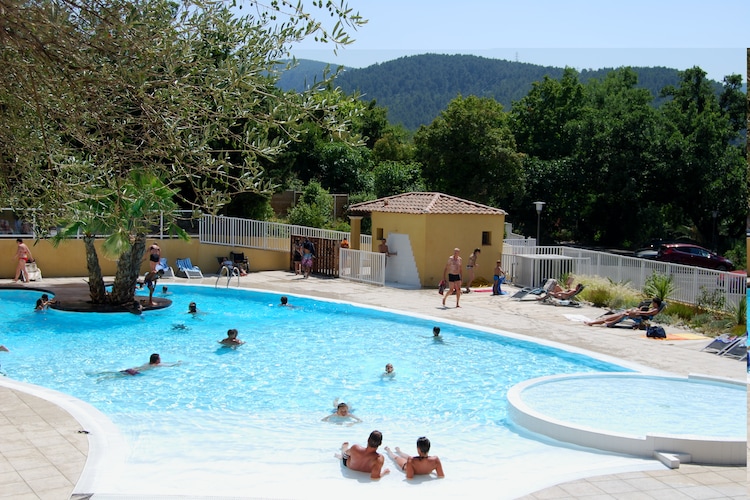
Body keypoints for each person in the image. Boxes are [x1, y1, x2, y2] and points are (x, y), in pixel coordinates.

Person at [585, 297, 663, 327]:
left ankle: (609, 323)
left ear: (656, 303)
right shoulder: (653, 308)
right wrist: (638, 310)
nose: (652, 303)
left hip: (640, 319)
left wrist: (637, 312)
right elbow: (645, 312)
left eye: (653, 302)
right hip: (637, 316)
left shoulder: (655, 310)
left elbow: (647, 314)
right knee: (619, 314)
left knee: (623, 315)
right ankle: (596, 322)